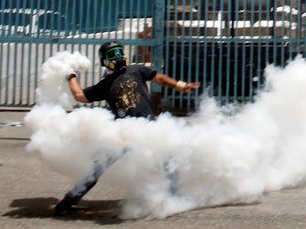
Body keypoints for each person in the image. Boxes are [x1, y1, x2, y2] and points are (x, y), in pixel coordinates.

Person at [53, 40, 199, 216]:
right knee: (98, 166)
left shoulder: (136, 70)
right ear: (105, 60)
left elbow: (158, 77)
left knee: (168, 157)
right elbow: (80, 96)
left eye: (119, 52)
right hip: (123, 134)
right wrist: (70, 75)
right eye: (113, 54)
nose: (118, 57)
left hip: (147, 128)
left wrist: (181, 86)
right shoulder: (105, 84)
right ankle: (69, 201)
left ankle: (173, 194)